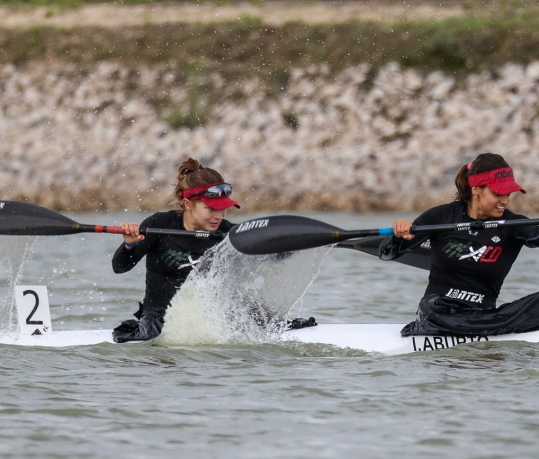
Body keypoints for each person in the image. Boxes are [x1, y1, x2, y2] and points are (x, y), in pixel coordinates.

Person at [385, 152, 539, 337]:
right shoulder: (440, 217)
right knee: (436, 310)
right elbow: (387, 252)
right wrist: (399, 235)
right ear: (476, 189)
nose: (505, 200)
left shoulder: (513, 225)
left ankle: (485, 329)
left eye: (508, 193)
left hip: (484, 316)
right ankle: (486, 330)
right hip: (438, 311)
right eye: (498, 193)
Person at [111, 157, 240, 343]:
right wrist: (129, 244)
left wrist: (282, 249)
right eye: (211, 209)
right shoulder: (158, 225)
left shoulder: (229, 233)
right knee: (152, 337)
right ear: (187, 204)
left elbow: (263, 255)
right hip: (158, 314)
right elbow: (120, 267)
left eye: (224, 208)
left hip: (212, 313)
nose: (219, 216)